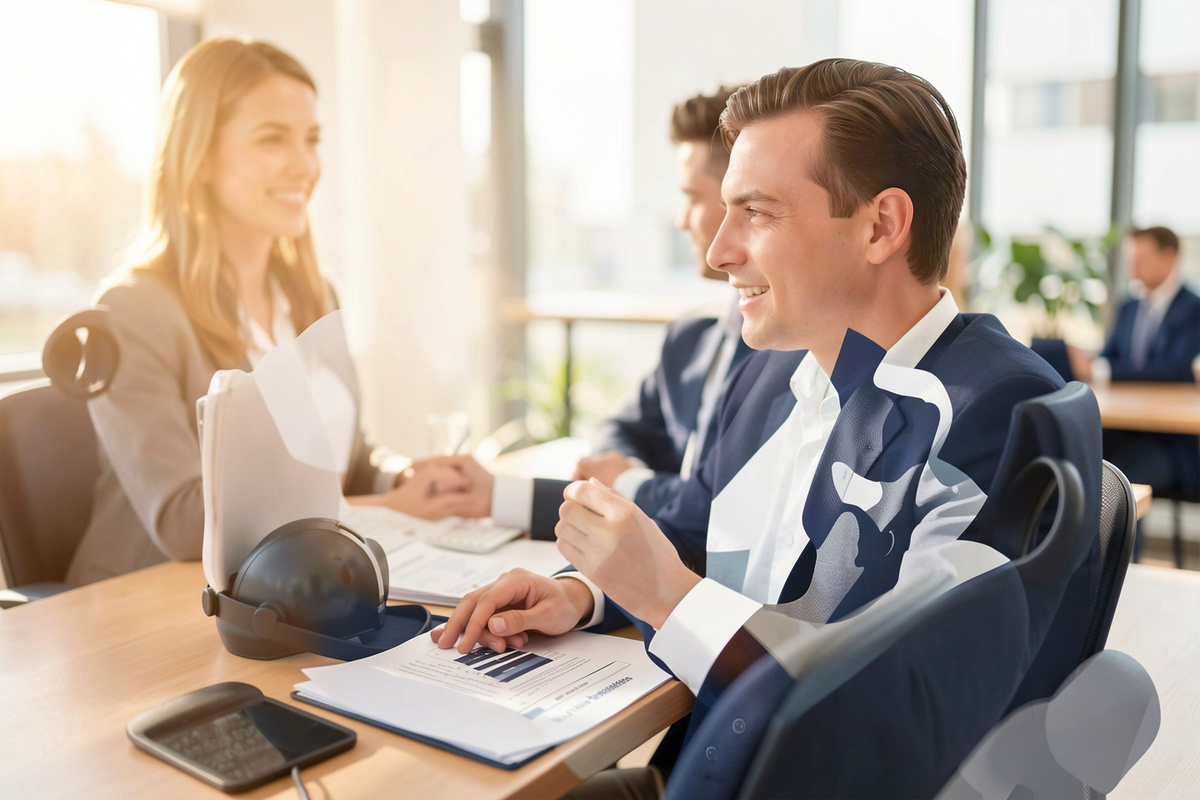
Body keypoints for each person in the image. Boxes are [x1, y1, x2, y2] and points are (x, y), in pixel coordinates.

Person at [434, 58, 1064, 793]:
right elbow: (699, 529)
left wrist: (667, 597)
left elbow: (902, 716)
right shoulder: (772, 373)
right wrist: (586, 593)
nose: (717, 251)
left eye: (757, 213)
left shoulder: (998, 409)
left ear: (882, 226)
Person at [66, 38, 485, 586]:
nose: (305, 165)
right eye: (272, 139)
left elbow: (347, 459)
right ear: (200, 157)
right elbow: (184, 520)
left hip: (292, 589)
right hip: (149, 602)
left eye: (311, 140)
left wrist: (402, 476)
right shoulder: (132, 313)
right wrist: (384, 510)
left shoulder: (313, 295)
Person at [489, 87, 752, 538]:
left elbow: (719, 511)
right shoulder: (692, 337)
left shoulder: (797, 353)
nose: (681, 220)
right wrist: (627, 476)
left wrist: (629, 482)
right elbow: (618, 433)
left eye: (692, 197)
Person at [1068, 226, 1200, 501]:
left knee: (1115, 486)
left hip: (1169, 442)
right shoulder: (1128, 306)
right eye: (1131, 260)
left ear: (1169, 258)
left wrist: (1101, 369)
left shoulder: (1193, 309)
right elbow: (1110, 355)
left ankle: (1122, 529)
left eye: (1142, 260)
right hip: (1123, 430)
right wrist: (1089, 362)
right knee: (1076, 463)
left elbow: (1176, 371)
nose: (1133, 268)